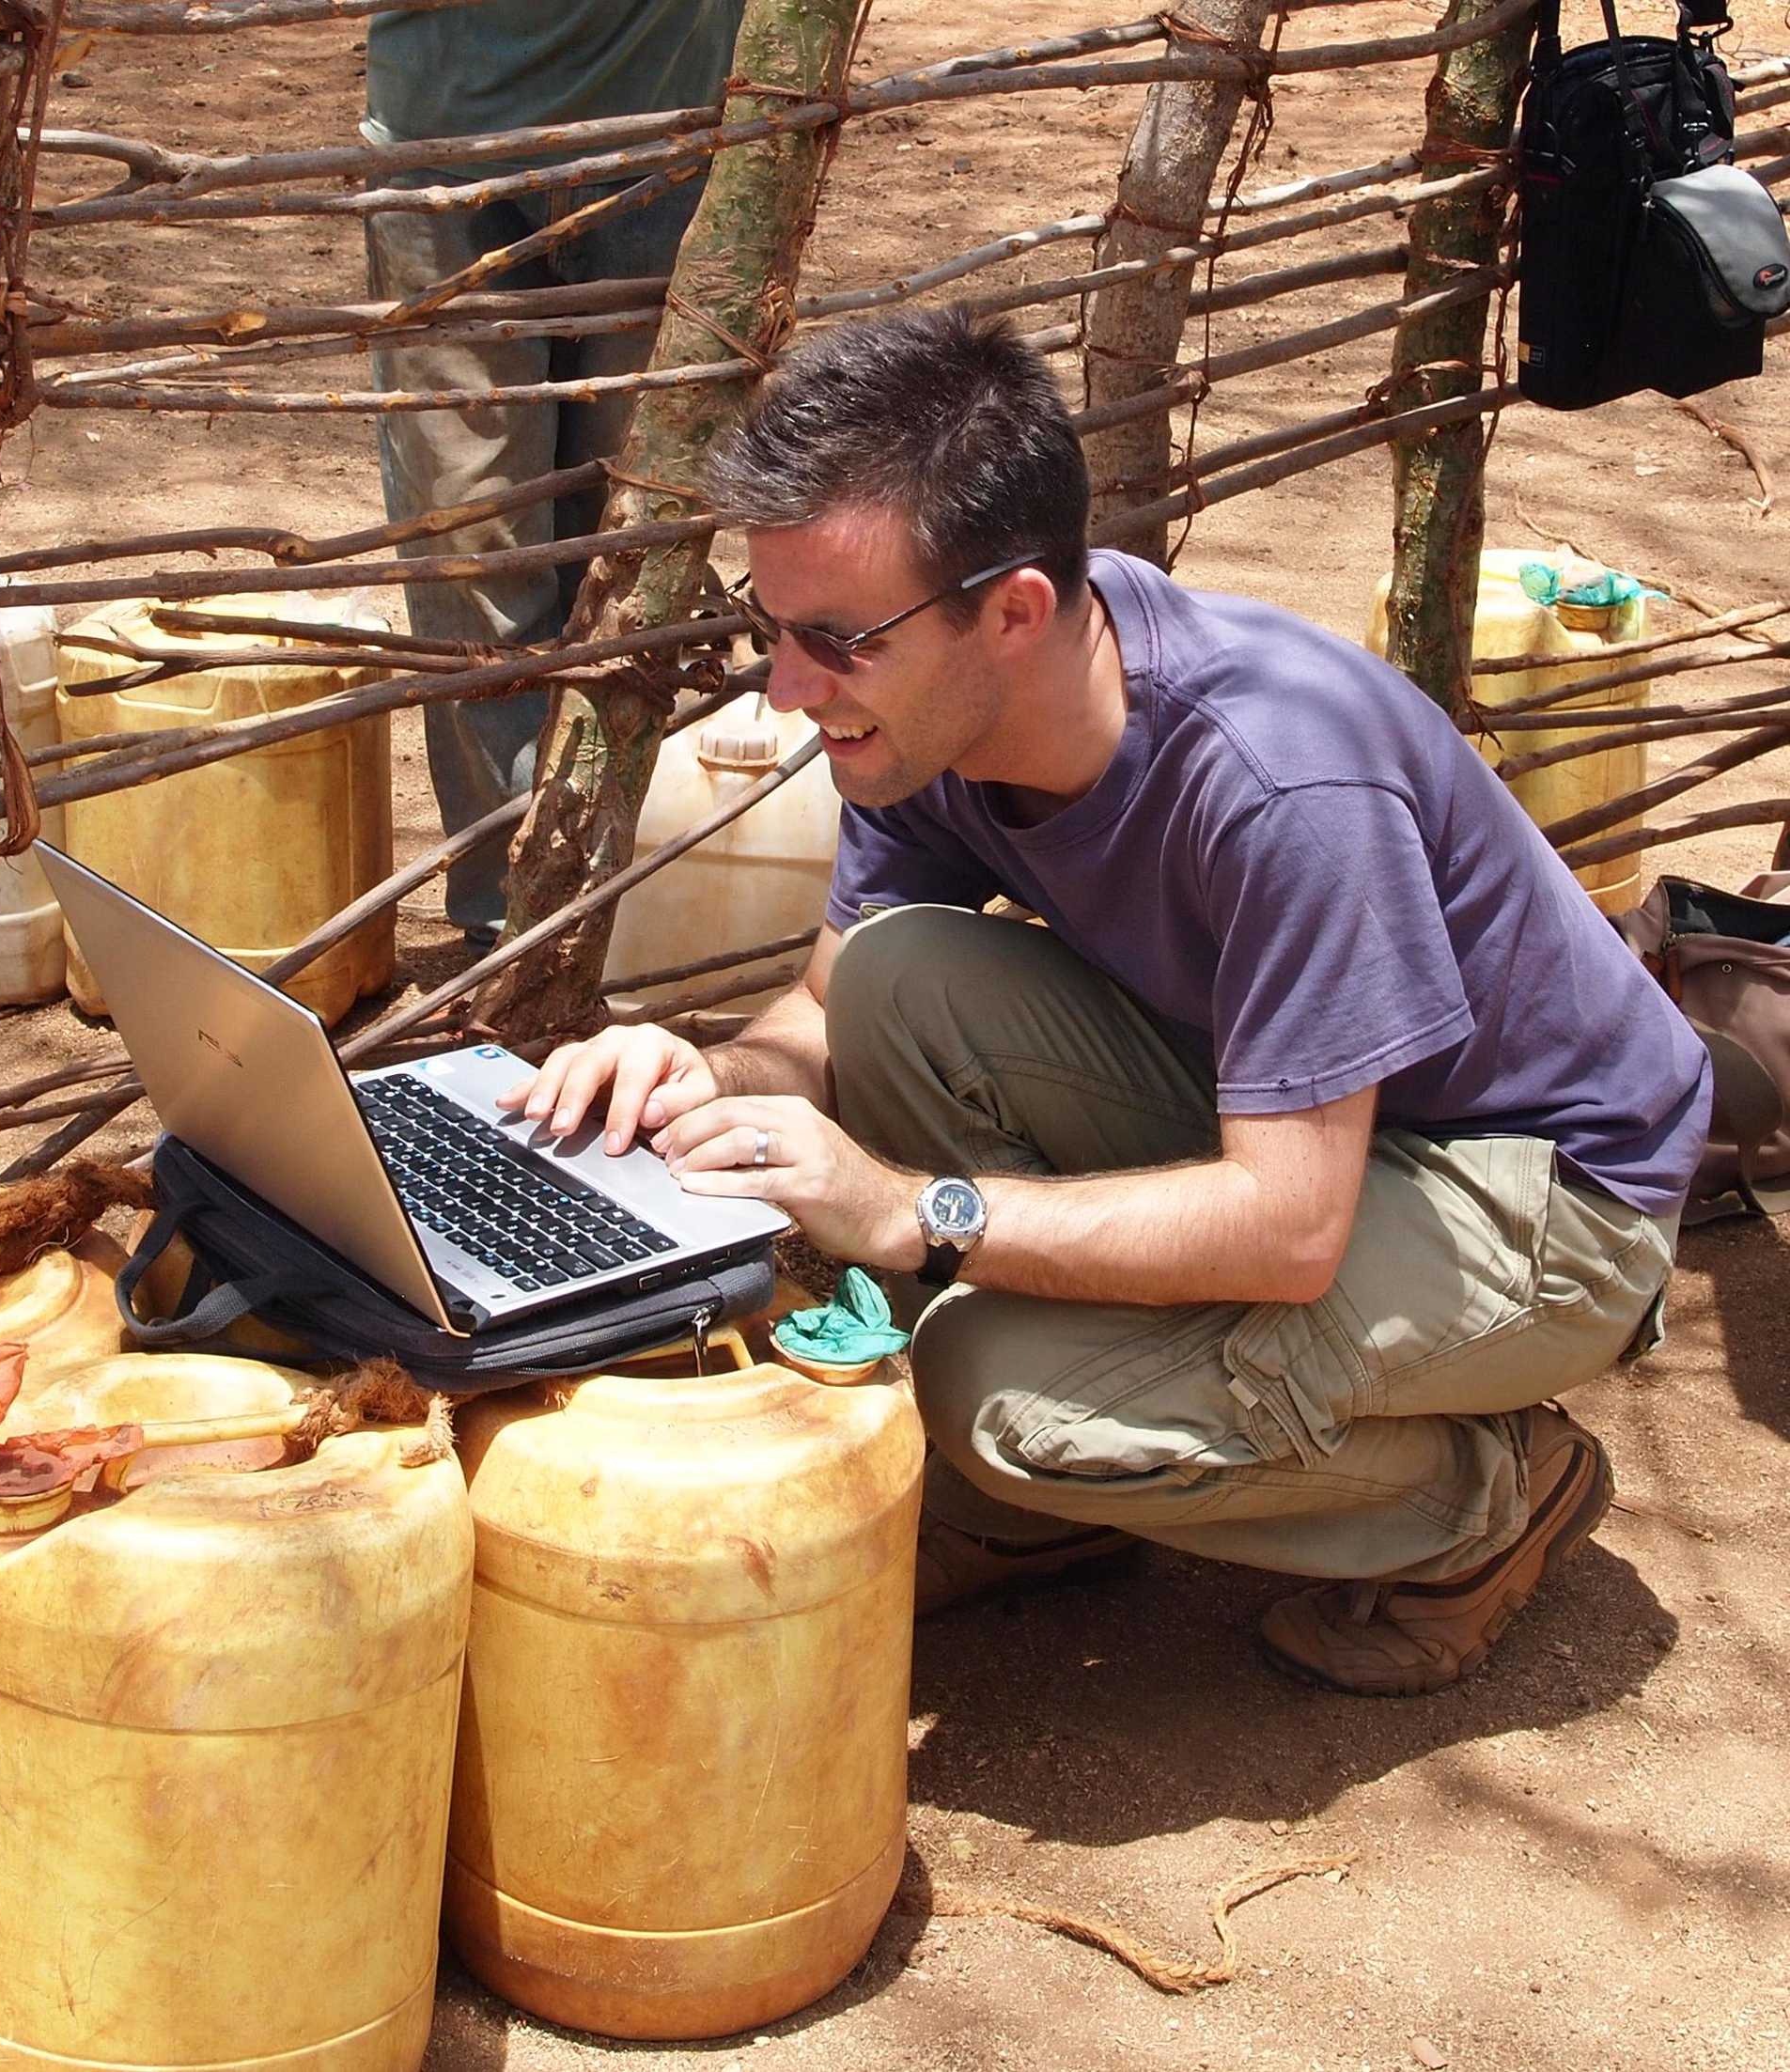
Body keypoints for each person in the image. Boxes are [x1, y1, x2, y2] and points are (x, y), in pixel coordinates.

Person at [504, 304, 1711, 1697]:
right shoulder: (940, 714)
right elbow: (832, 1009)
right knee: (905, 974)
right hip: (1313, 1125)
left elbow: (1288, 1226)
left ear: (1012, 609)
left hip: (1547, 1199)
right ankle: (1047, 1522)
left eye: (833, 641)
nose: (785, 692)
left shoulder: (1281, 783)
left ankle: (1491, 1497)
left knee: (999, 1393)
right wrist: (712, 1075)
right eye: (769, 630)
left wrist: (910, 1212)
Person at [364, 0, 748, 944]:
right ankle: (513, 916)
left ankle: (618, 878)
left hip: (662, 140)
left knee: (626, 531)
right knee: (474, 541)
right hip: (445, 154)